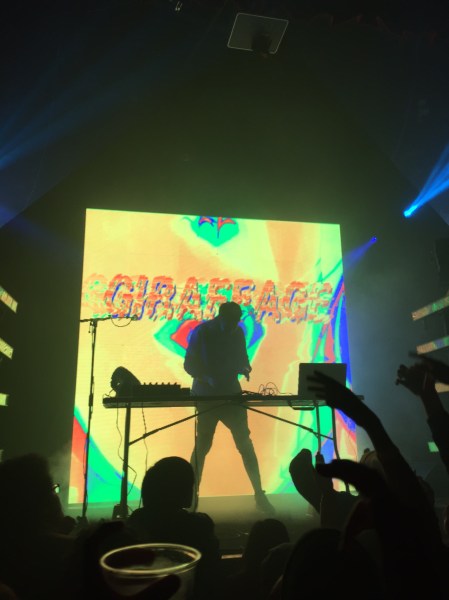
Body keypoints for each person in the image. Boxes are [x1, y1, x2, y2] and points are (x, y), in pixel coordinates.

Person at [183, 301, 274, 515]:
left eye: (236, 322)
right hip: (207, 396)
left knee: (244, 444)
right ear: (220, 317)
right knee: (203, 445)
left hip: (231, 395)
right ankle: (192, 497)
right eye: (230, 322)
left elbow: (243, 359)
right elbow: (189, 365)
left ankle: (259, 494)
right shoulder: (202, 332)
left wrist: (245, 367)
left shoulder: (237, 332)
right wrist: (207, 379)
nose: (233, 326)